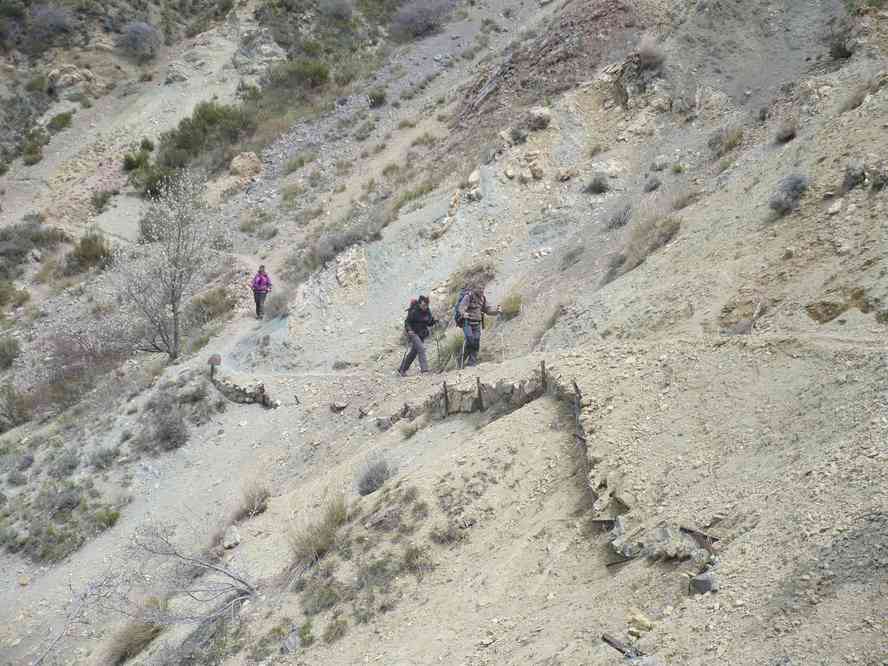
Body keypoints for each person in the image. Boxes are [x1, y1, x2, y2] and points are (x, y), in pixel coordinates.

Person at [457, 285, 500, 367]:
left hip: (477, 324)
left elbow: (488, 310)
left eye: (483, 288)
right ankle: (460, 360)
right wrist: (464, 313)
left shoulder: (482, 298)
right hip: (467, 323)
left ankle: (471, 362)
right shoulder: (468, 296)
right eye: (479, 288)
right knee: (470, 340)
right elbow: (461, 307)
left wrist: (496, 311)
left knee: (476, 342)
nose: (481, 290)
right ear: (474, 288)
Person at [399, 295, 437, 376]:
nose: (425, 307)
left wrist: (434, 321)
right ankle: (425, 370)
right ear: (419, 304)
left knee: (413, 353)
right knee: (421, 349)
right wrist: (409, 330)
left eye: (426, 305)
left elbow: (429, 322)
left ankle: (402, 369)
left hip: (421, 334)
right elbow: (407, 322)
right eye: (423, 305)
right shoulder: (414, 311)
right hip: (413, 333)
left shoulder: (427, 311)